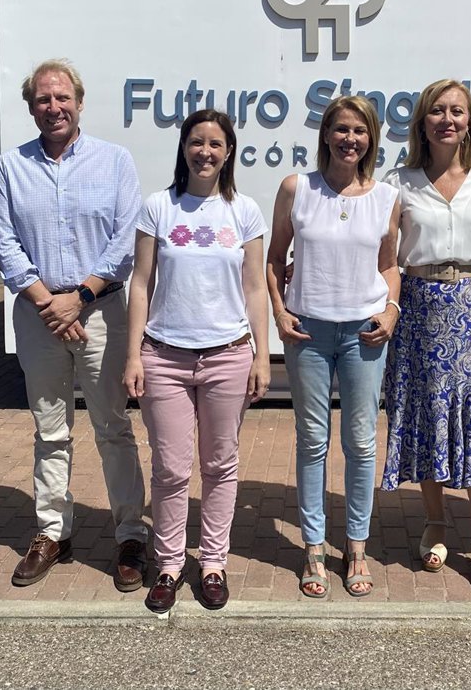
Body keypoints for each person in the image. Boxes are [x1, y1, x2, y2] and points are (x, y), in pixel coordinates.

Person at [0, 59, 149, 591]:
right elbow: (6, 242)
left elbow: (125, 241)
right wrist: (49, 302)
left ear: (79, 102)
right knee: (49, 429)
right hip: (39, 315)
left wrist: (78, 298)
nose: (53, 107)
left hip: (100, 310)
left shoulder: (115, 161)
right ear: (31, 106)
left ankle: (130, 534)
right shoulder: (11, 166)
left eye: (62, 98)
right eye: (43, 99)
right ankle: (53, 531)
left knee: (113, 426)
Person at [124, 109, 270, 613]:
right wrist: (133, 354)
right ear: (183, 148)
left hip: (228, 355)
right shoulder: (158, 207)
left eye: (215, 144)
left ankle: (212, 563)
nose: (205, 151)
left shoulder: (244, 211)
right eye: (196, 142)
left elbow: (255, 288)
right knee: (169, 468)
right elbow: (140, 284)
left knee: (220, 465)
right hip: (164, 356)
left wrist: (262, 355)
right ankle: (168, 564)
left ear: (228, 153)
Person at [381, 79, 471, 598]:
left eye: (457, 111)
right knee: (429, 414)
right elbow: (384, 253)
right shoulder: (399, 181)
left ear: (470, 121)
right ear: (422, 121)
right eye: (437, 111)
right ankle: (435, 521)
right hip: (419, 306)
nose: (447, 120)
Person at [268, 96, 400, 599]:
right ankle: (314, 547)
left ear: (371, 138)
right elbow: (274, 258)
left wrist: (391, 310)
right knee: (312, 440)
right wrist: (279, 312)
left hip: (365, 332)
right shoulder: (296, 189)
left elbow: (389, 264)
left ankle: (357, 546)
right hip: (309, 332)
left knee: (361, 442)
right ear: (326, 134)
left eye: (360, 131)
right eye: (342, 129)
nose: (350, 139)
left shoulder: (387, 197)